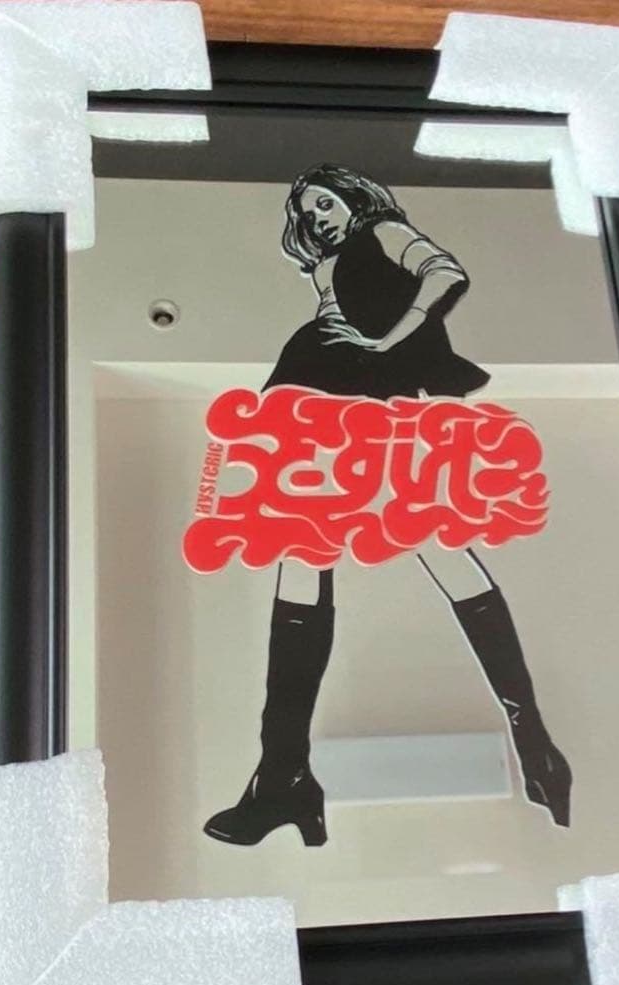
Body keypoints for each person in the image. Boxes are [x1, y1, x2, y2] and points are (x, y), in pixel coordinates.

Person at [203, 164, 572, 848]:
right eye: (307, 210)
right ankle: (281, 774)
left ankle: (535, 744)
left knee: (431, 539)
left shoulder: (384, 231)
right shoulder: (330, 263)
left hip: (369, 404)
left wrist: (389, 339)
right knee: (303, 551)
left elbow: (444, 272)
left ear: (353, 198)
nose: (316, 216)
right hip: (313, 397)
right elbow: (340, 315)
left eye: (325, 202)